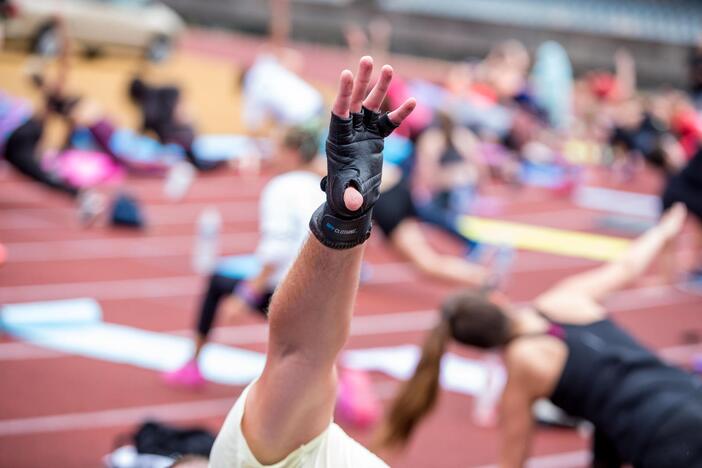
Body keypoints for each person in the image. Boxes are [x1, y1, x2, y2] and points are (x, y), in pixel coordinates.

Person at [376, 203, 702, 468]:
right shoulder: (561, 300)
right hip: (687, 393)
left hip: (659, 436)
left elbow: (512, 463)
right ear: (497, 301)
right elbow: (628, 267)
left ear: (480, 347)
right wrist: (664, 229)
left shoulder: (521, 372)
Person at [208, 56, 416, 467]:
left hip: (297, 297)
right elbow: (303, 351)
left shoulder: (282, 186)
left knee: (221, 287)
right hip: (317, 300)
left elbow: (299, 349)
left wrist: (345, 219)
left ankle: (194, 361)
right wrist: (348, 219)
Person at [163, 127, 324, 387]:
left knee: (217, 281)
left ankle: (192, 365)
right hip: (322, 293)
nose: (270, 154)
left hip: (288, 293)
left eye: (276, 147)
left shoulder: (280, 187)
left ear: (293, 153)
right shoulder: (322, 186)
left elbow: (277, 251)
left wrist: (245, 295)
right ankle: (343, 376)